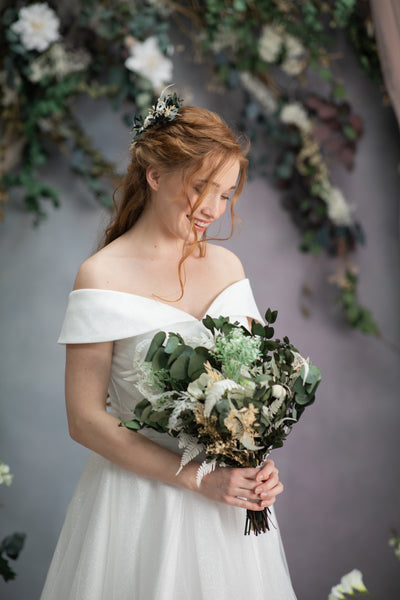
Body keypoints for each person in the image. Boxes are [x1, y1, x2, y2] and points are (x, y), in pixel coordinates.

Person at [40, 91, 297, 600]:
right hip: (137, 508)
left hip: (228, 509)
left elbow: (247, 397)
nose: (212, 208)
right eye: (201, 185)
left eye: (224, 193)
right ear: (155, 174)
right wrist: (197, 479)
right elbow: (84, 419)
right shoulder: (102, 274)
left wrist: (258, 461)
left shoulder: (228, 268)